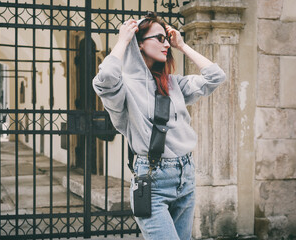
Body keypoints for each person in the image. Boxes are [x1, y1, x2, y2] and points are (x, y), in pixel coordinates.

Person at [92, 12, 226, 240]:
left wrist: (182, 46)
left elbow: (216, 76)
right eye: (159, 38)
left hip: (185, 176)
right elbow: (104, 79)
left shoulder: (173, 83)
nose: (166, 44)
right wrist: (123, 40)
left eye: (167, 39)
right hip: (152, 181)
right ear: (140, 43)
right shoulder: (123, 87)